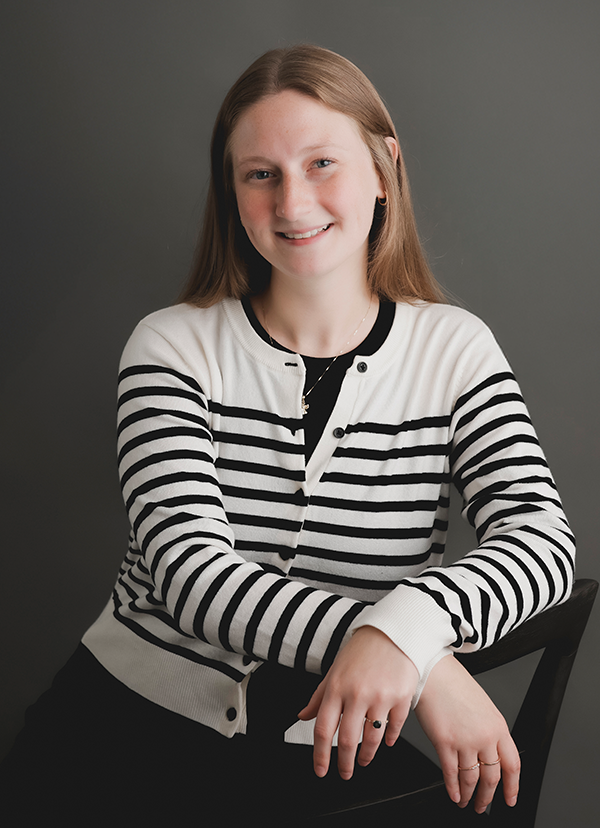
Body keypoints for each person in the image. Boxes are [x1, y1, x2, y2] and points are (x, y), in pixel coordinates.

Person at [1, 45, 574, 826]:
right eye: (260, 174)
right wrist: (420, 661)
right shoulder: (171, 347)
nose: (293, 202)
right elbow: (192, 575)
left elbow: (541, 540)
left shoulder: (456, 350)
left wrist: (408, 630)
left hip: (333, 742)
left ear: (385, 169)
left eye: (322, 163)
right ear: (231, 192)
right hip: (121, 735)